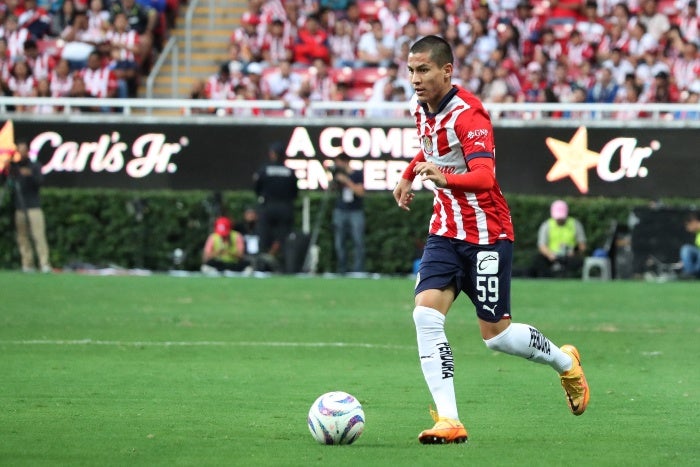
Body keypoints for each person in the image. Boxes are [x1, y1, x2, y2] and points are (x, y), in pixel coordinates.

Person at [392, 35, 589, 445]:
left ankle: (564, 361)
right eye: (411, 70)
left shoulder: (470, 116)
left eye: (424, 70)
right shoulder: (421, 108)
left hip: (486, 233)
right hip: (445, 231)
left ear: (447, 71)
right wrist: (410, 173)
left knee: (496, 335)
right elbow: (431, 149)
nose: (415, 78)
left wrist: (445, 178)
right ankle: (449, 420)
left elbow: (484, 177)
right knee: (425, 315)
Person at [0, 140, 52, 273]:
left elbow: (40, 182)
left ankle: (44, 263)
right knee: (22, 237)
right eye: (19, 150)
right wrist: (6, 169)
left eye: (23, 150)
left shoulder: (34, 166)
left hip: (33, 206)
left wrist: (29, 175)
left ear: (28, 151)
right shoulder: (14, 167)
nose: (21, 153)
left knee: (38, 235)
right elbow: (6, 183)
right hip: (19, 207)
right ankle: (27, 264)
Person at [253, 141, 299, 271]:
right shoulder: (290, 172)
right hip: (285, 207)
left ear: (272, 154)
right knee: (284, 239)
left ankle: (262, 268)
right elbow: (295, 193)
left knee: (264, 237)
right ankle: (285, 268)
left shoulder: (264, 169)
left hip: (268, 206)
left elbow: (257, 188)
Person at [530, 200, 587, 278]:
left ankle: (567, 275)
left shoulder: (575, 224)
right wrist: (550, 255)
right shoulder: (547, 225)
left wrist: (574, 252)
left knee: (578, 261)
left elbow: (582, 245)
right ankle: (549, 276)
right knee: (538, 259)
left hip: (569, 257)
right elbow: (542, 245)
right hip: (551, 256)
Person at [331, 153, 365, 275]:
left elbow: (360, 192)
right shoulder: (337, 175)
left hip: (355, 211)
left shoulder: (356, 174)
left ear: (345, 162)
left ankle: (358, 270)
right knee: (339, 241)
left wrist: (346, 181)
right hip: (340, 210)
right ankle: (342, 269)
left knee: (358, 241)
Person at [678, 212, 700, 279]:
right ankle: (690, 272)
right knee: (686, 249)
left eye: (688, 225)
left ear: (694, 221)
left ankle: (693, 272)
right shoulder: (697, 234)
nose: (687, 228)